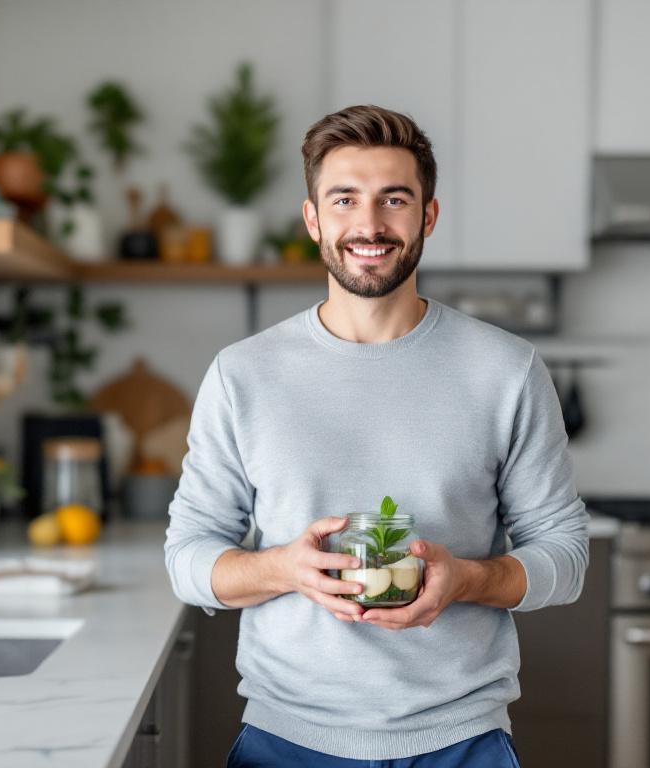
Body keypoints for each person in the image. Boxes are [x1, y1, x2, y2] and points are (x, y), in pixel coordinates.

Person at [164, 104, 589, 766]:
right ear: (313, 219)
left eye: (394, 199)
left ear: (428, 216)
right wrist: (284, 568)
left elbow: (566, 557)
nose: (368, 224)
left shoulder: (506, 370)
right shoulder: (243, 374)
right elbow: (187, 558)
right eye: (344, 199)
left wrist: (467, 579)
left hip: (461, 742)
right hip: (287, 742)